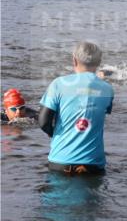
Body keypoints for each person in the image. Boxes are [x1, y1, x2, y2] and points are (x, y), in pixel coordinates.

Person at [38, 42, 115, 175]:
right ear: (99, 62)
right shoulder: (108, 89)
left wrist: (54, 134)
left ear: (74, 60)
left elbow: (43, 122)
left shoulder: (58, 84)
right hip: (93, 164)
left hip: (60, 161)